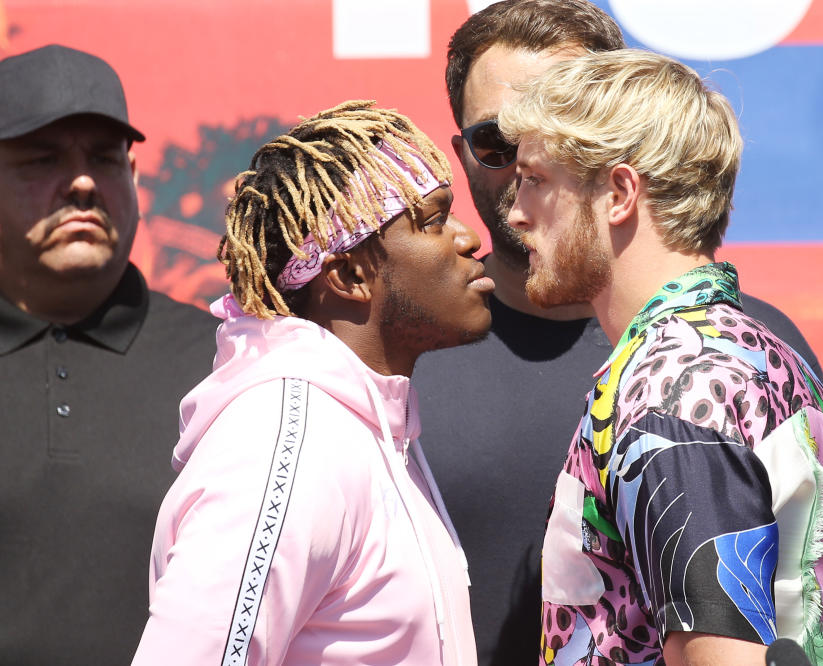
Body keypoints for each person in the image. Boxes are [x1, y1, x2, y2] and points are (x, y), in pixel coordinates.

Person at [414, 2, 823, 664]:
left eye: (538, 177)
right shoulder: (760, 356)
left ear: (620, 191)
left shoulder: (675, 384)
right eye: (498, 150)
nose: (516, 205)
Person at [132, 101, 493, 665]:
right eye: (432, 221)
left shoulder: (367, 425)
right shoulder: (289, 443)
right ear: (349, 274)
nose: (468, 238)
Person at [0, 45, 217, 664]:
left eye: (105, 157)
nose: (84, 182)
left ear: (134, 179)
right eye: (42, 159)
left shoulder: (226, 370)